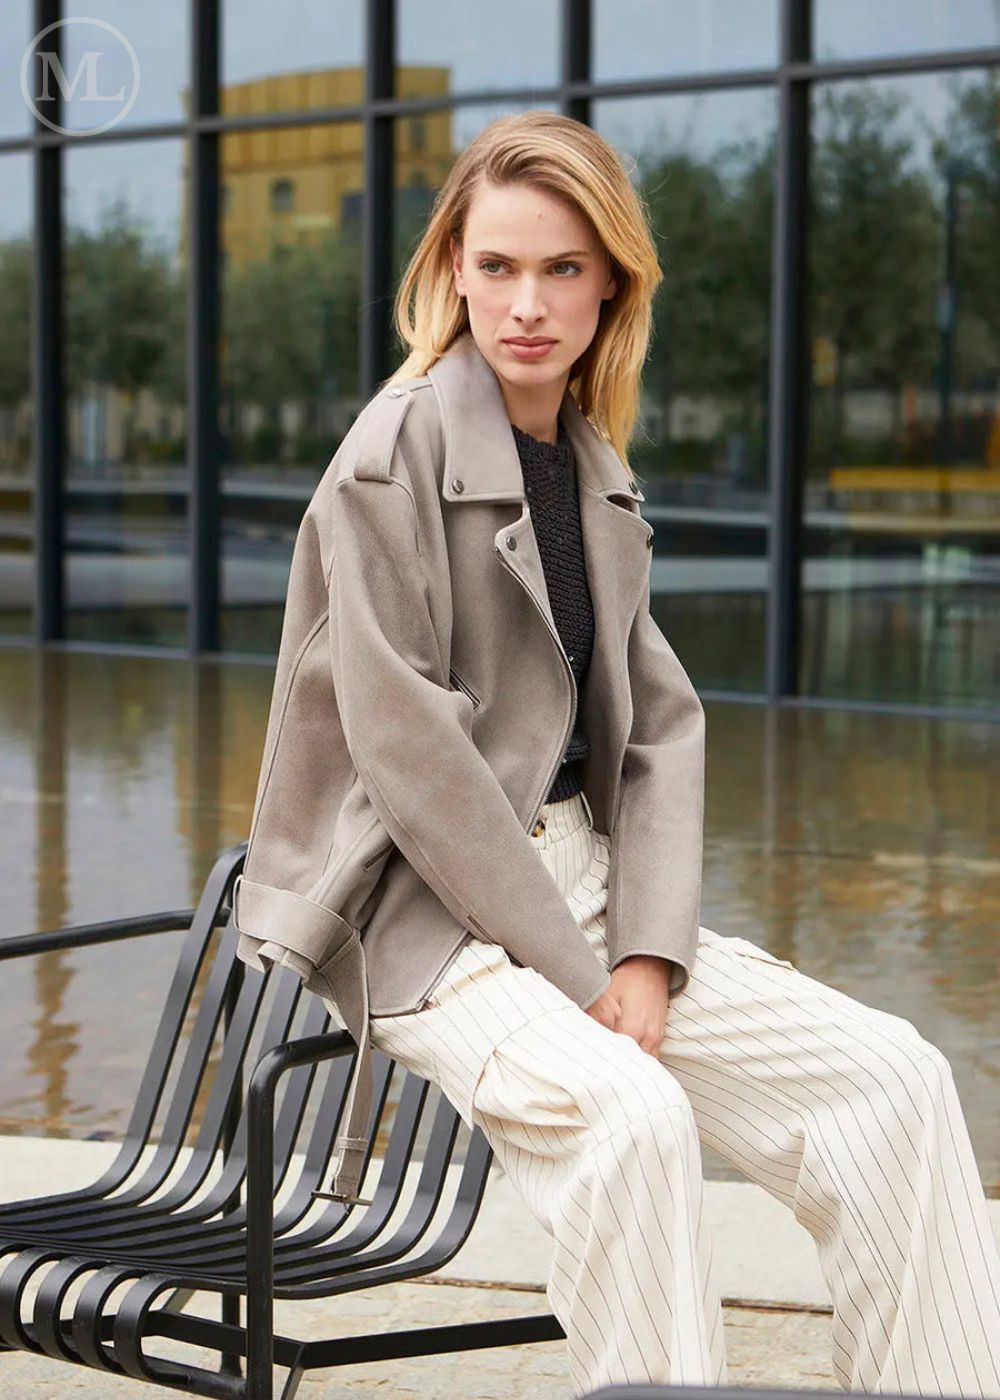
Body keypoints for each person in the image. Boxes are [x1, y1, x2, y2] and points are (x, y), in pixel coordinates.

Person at [233, 111, 1000, 1398]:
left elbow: (659, 731)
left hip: (581, 894)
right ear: (451, 272)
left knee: (894, 1080)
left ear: (612, 284)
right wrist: (586, 971)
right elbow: (412, 754)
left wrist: (647, 953)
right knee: (631, 1119)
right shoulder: (390, 456)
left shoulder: (589, 464)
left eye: (562, 269)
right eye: (495, 268)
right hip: (428, 918)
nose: (524, 303)